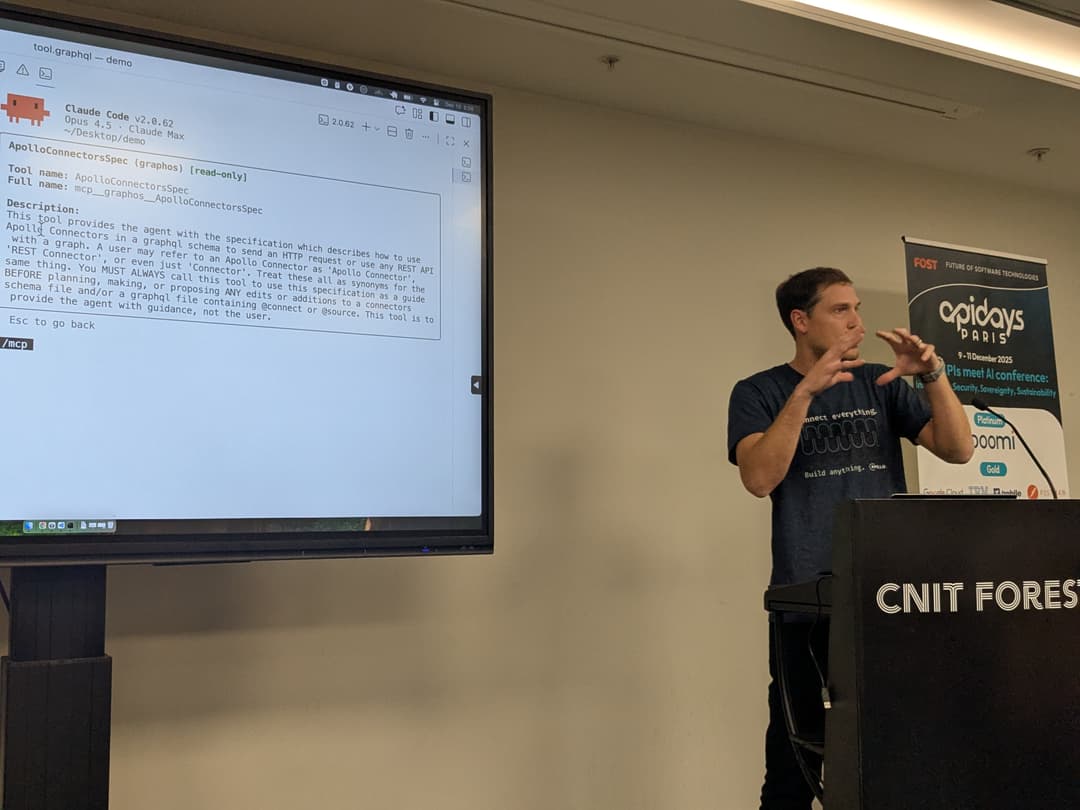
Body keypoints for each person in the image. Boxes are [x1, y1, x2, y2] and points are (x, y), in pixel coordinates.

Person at [726, 267, 973, 810]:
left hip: (888, 600)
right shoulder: (758, 392)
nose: (857, 321)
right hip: (805, 604)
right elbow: (759, 478)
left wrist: (933, 375)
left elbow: (958, 449)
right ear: (800, 320)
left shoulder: (880, 384)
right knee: (793, 767)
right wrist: (805, 393)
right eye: (841, 310)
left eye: (857, 308)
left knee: (894, 756)